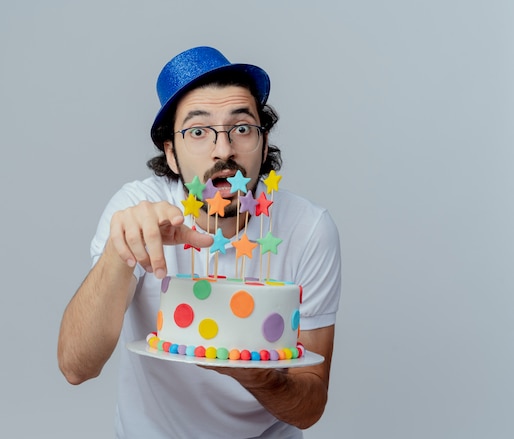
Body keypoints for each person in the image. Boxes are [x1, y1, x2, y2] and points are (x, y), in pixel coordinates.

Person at [57, 46, 341, 438]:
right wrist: (117, 254)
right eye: (198, 132)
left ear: (263, 141)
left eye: (241, 128)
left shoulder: (308, 229)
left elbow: (309, 408)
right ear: (170, 154)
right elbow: (77, 367)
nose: (223, 150)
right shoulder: (136, 211)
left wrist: (256, 375)